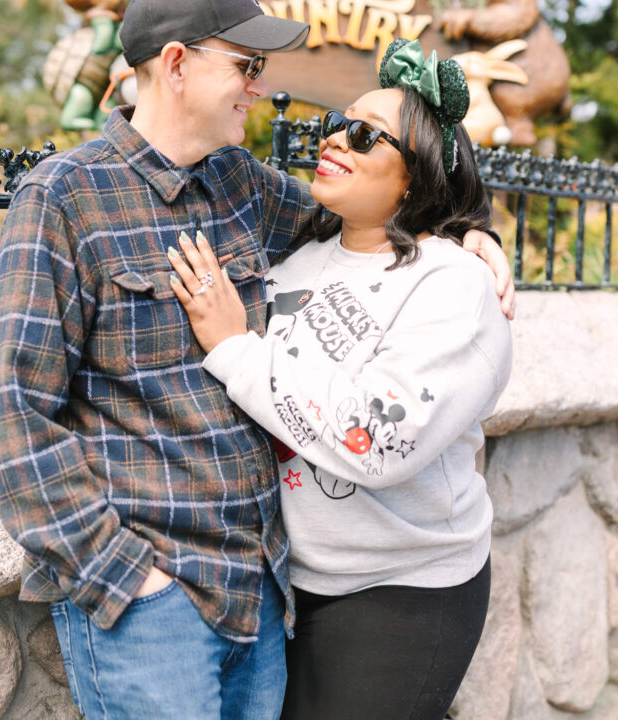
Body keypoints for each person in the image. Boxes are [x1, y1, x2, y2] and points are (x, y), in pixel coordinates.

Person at [0, 0, 514, 720]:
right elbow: (16, 418)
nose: (259, 87)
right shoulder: (63, 198)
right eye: (245, 66)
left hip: (261, 591)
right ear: (175, 65)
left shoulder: (240, 186)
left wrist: (471, 233)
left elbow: (384, 211)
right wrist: (121, 575)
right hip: (152, 597)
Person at [168, 39, 513, 720]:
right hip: (288, 581)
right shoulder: (296, 263)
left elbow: (375, 441)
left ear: (413, 176)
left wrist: (236, 348)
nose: (336, 141)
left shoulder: (454, 284)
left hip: (403, 589)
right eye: (335, 123)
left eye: (364, 135)